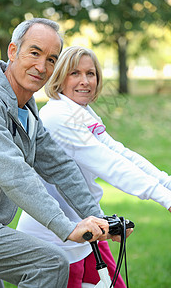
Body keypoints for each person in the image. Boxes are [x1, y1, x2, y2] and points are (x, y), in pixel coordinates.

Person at [0, 19, 124, 288]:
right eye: (34, 52)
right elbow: (14, 174)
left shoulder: (26, 109)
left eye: (51, 59)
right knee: (49, 263)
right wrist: (66, 227)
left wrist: (98, 218)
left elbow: (59, 166)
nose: (42, 67)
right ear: (12, 51)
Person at [17, 45, 171, 288]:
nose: (85, 81)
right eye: (75, 73)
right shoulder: (59, 117)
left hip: (87, 228)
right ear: (59, 76)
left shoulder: (81, 112)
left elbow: (119, 153)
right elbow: (109, 164)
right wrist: (165, 198)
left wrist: (167, 184)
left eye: (91, 74)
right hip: (56, 239)